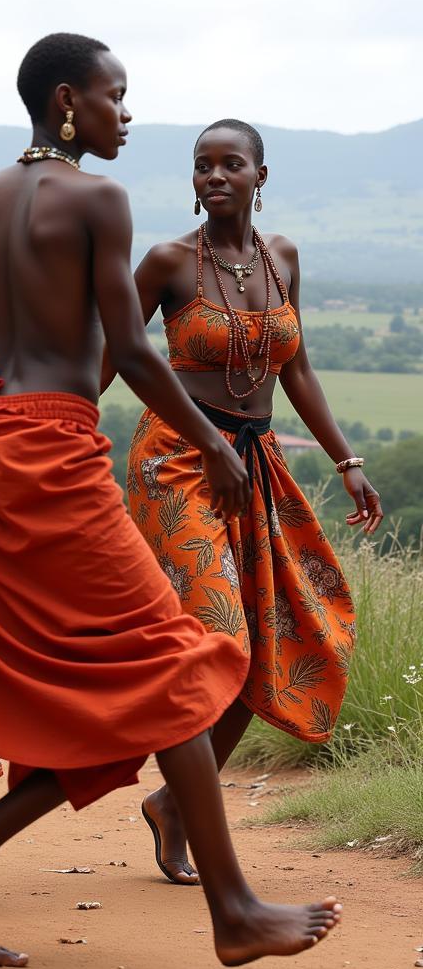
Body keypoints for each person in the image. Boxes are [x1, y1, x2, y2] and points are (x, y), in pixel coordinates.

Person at [0, 33, 342, 967]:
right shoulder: (96, 197)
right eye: (119, 98)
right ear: (69, 101)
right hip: (51, 448)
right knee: (174, 660)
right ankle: (233, 909)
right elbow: (133, 344)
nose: (129, 115)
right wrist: (209, 443)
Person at [110, 118, 382, 885]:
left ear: (263, 175)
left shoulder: (283, 256)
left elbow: (296, 369)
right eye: (203, 166)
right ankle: (185, 807)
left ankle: (174, 804)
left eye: (232, 164)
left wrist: (346, 460)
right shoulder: (167, 262)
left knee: (265, 642)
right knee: (218, 633)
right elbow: (116, 358)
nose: (215, 176)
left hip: (254, 461)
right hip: (177, 460)